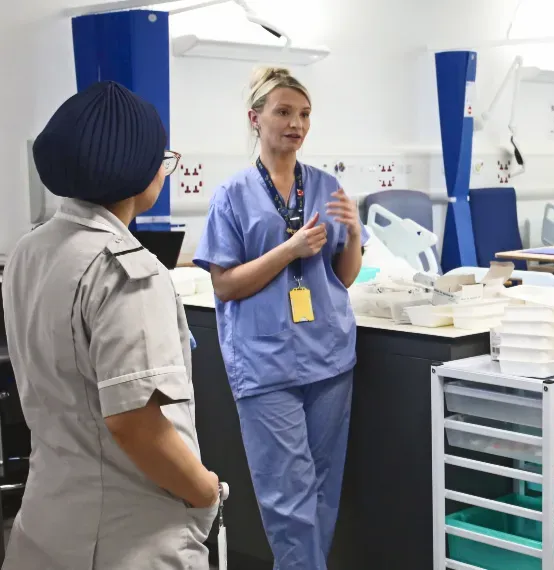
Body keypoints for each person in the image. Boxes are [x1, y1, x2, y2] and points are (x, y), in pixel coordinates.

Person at [1, 81, 220, 569]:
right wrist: (205, 493)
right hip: (129, 537)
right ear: (137, 168)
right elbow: (135, 424)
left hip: (46, 523)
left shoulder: (28, 251)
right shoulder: (127, 270)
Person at [194, 67, 366, 569]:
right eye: (284, 112)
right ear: (256, 119)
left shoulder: (326, 186)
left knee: (322, 489)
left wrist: (353, 234)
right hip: (265, 361)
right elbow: (224, 283)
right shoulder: (233, 194)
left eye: (305, 114)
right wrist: (289, 251)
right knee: (286, 495)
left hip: (329, 355)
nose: (297, 124)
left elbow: (345, 276)